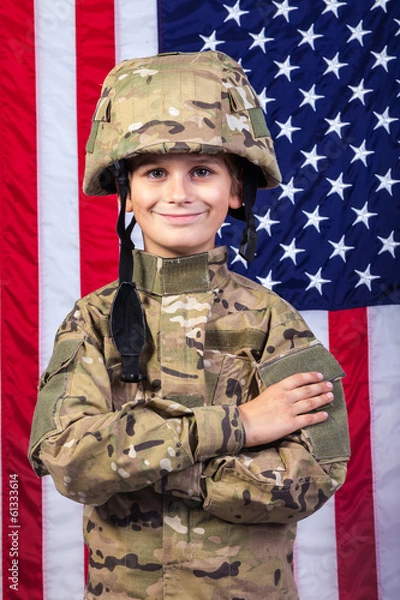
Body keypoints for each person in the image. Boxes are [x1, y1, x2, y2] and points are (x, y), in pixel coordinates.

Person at [29, 50, 350, 599]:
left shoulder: (275, 321)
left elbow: (313, 475)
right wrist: (240, 425)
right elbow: (68, 459)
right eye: (156, 173)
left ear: (236, 192)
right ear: (128, 193)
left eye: (201, 171)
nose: (178, 193)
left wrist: (151, 463)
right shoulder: (94, 320)